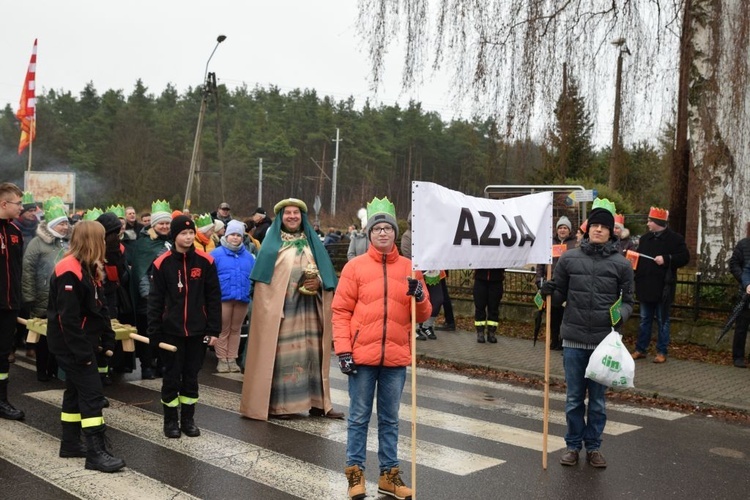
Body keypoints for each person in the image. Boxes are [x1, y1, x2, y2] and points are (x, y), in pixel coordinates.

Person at [333, 196, 431, 500]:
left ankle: (389, 477)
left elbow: (425, 314)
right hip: (361, 357)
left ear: (395, 232)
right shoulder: (355, 268)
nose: (384, 233)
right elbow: (340, 312)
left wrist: (420, 296)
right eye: (378, 229)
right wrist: (343, 351)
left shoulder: (411, 268)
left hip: (395, 358)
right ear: (370, 234)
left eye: (388, 228)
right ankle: (355, 475)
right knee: (359, 418)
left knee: (390, 419)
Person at [540, 198, 634, 469]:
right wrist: (546, 292)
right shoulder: (569, 259)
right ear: (588, 228)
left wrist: (622, 315)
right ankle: (572, 446)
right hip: (573, 340)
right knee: (573, 399)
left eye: (604, 227)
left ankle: (593, 447)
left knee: (598, 402)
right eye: (595, 225)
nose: (599, 230)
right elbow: (558, 297)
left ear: (610, 232)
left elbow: (629, 301)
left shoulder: (622, 265)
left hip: (604, 344)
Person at [239, 198, 342, 420]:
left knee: (315, 354)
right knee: (286, 358)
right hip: (284, 313)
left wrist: (320, 284)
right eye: (288, 213)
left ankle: (319, 403)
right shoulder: (271, 246)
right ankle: (283, 405)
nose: (292, 216)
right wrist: (275, 306)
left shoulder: (312, 243)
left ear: (302, 216)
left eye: (296, 212)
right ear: (281, 218)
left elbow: (328, 276)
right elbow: (263, 285)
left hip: (311, 312)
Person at [46, 220, 125, 472]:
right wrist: (83, 354)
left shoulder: (89, 267)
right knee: (92, 395)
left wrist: (107, 336)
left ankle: (70, 443)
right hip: (72, 345)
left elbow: (99, 307)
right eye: (101, 238)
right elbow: (67, 319)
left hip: (82, 343)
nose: (105, 242)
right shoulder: (69, 269)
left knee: (75, 391)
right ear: (92, 240)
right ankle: (96, 453)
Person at [148, 215, 222, 438]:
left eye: (191, 233)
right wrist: (154, 333)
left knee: (191, 377)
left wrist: (213, 330)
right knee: (171, 377)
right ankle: (170, 421)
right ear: (175, 235)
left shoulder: (205, 261)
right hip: (171, 332)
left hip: (197, 331)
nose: (188, 237)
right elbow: (155, 301)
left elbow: (213, 297)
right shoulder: (162, 264)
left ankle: (188, 419)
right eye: (183, 233)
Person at [631, 207, 690, 363]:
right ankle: (640, 349)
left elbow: (684, 257)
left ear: (658, 222)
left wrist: (666, 258)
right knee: (644, 319)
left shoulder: (675, 239)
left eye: (650, 220)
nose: (648, 223)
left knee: (663, 320)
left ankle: (661, 351)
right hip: (645, 286)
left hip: (663, 287)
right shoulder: (644, 239)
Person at [22, 198, 71, 381]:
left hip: (62, 297)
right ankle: (42, 370)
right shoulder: (37, 243)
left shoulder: (67, 243)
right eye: (61, 224)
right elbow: (28, 270)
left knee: (59, 336)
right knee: (43, 337)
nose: (65, 227)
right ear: (51, 225)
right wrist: (29, 296)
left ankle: (55, 369)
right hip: (42, 297)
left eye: (66, 223)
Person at [127, 200, 172, 379]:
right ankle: (147, 365)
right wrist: (147, 294)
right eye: (161, 223)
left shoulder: (171, 242)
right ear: (154, 224)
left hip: (168, 297)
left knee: (165, 331)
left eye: (167, 223)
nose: (165, 226)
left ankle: (162, 364)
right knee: (148, 332)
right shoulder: (144, 243)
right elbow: (141, 272)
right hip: (149, 298)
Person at [211, 220, 255, 373]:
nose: (235, 238)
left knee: (236, 329)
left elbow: (253, 276)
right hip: (223, 299)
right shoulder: (215, 255)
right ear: (226, 235)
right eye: (232, 235)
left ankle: (232, 358)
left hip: (242, 298)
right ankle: (222, 359)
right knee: (224, 329)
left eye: (238, 235)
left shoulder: (249, 257)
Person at [0, 182, 25, 420]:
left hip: (9, 305)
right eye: (18, 203)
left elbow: (17, 270)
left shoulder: (16, 233)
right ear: (3, 203)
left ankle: (2, 400)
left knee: (3, 354)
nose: (21, 207)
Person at [535, 215, 578, 350]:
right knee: (553, 315)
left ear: (569, 230)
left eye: (565, 228)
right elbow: (541, 263)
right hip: (551, 285)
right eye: (560, 228)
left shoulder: (574, 244)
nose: (562, 230)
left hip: (567, 286)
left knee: (565, 315)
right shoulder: (549, 243)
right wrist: (539, 280)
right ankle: (554, 339)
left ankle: (564, 340)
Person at [728, 236, 750, 368]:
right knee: (741, 327)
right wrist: (745, 282)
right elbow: (734, 264)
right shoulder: (743, 244)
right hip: (745, 294)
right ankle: (738, 357)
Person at [473, 268, 505, 344]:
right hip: (480, 279)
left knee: (494, 308)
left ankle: (491, 332)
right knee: (480, 307)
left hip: (496, 279)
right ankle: (480, 332)